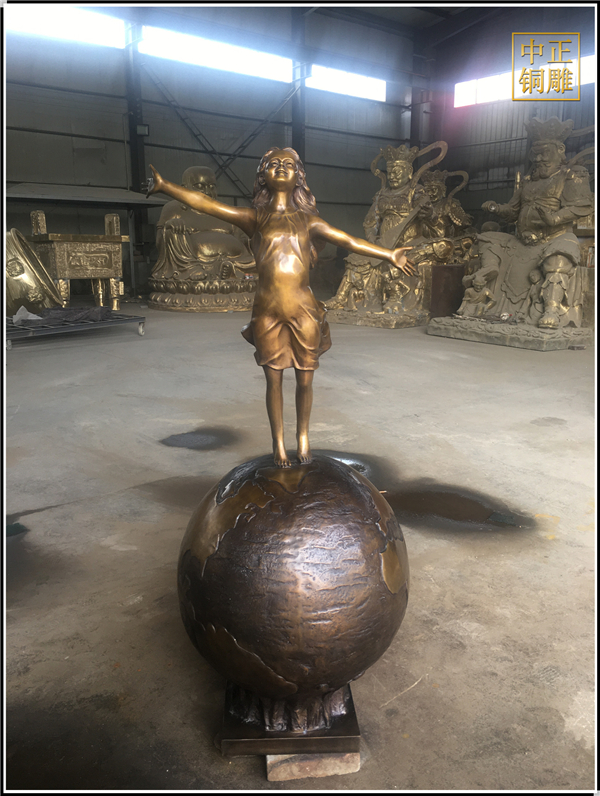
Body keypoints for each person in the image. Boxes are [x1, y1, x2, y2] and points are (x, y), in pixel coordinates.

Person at [146, 147, 415, 468]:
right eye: (273, 164)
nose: (281, 167)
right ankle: (278, 443)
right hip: (267, 312)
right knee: (273, 381)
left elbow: (348, 240)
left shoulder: (308, 221)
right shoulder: (255, 218)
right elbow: (207, 205)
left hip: (304, 311)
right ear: (263, 176)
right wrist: (165, 186)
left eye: (289, 164)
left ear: (299, 176)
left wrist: (389, 255)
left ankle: (303, 437)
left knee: (305, 380)